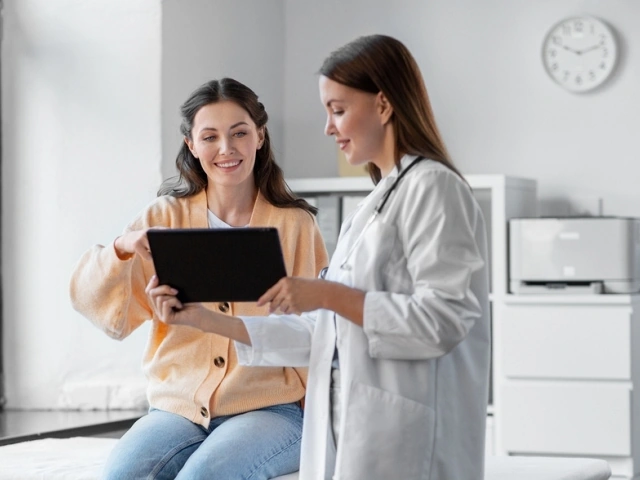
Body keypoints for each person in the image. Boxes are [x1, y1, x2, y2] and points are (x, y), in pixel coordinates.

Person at [146, 34, 491, 480]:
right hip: (360, 425)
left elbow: (444, 318)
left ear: (384, 106)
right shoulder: (377, 203)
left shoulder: (433, 188)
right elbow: (323, 335)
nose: (329, 127)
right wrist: (204, 319)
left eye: (339, 109)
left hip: (412, 434)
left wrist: (327, 294)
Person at [69, 77, 328, 480]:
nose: (226, 149)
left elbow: (317, 327)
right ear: (191, 144)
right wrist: (121, 246)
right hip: (178, 406)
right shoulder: (163, 217)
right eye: (210, 137)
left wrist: (318, 415)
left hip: (270, 407)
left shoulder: (295, 225)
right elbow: (93, 302)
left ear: (260, 136)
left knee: (202, 477)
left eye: (239, 133)